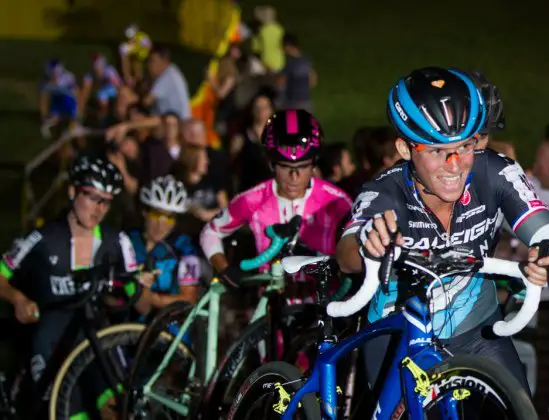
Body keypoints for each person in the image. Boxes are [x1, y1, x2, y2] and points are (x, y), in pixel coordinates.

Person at [335, 67, 549, 395]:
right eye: (436, 151)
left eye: (465, 146)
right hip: (398, 336)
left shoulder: (495, 172)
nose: (454, 164)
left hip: (477, 331)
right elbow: (346, 254)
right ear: (406, 149)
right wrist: (367, 246)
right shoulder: (384, 191)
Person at [0, 155, 138, 419]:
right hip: (52, 337)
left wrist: (131, 290)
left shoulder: (117, 242)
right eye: (92, 197)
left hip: (99, 335)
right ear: (72, 191)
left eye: (106, 202)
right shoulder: (42, 238)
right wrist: (17, 298)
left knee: (117, 408)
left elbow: (134, 295)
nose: (98, 209)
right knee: (68, 411)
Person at [200, 109, 352, 289]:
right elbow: (210, 232)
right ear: (271, 163)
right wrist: (225, 270)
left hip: (322, 300)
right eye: (286, 167)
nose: (294, 177)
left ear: (314, 163)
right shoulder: (253, 199)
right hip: (271, 298)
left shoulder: (336, 201)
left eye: (303, 167)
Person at [127, 176, 201, 313]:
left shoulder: (185, 247)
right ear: (145, 212)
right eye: (156, 214)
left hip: (168, 325)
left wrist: (151, 297)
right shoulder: (127, 241)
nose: (161, 224)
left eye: (169, 217)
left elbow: (189, 298)